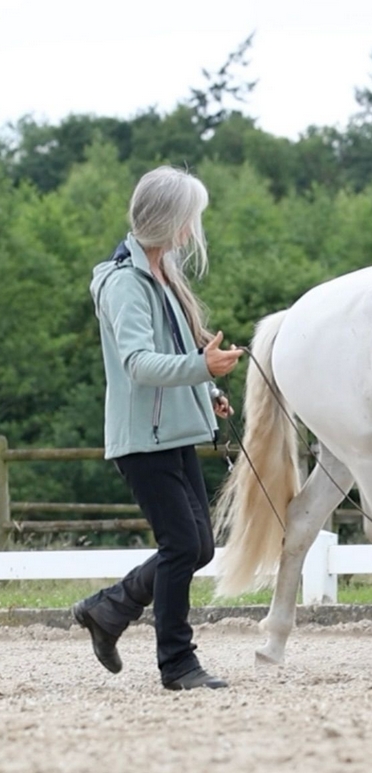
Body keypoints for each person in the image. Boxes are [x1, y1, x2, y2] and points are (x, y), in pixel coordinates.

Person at [72, 166, 243, 690]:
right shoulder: (126, 283)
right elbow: (140, 364)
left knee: (200, 548)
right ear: (170, 220)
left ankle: (110, 608)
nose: (192, 232)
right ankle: (178, 664)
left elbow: (177, 352)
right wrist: (201, 369)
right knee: (179, 547)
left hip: (175, 431)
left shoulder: (163, 276)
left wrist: (208, 388)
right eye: (189, 220)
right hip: (144, 441)